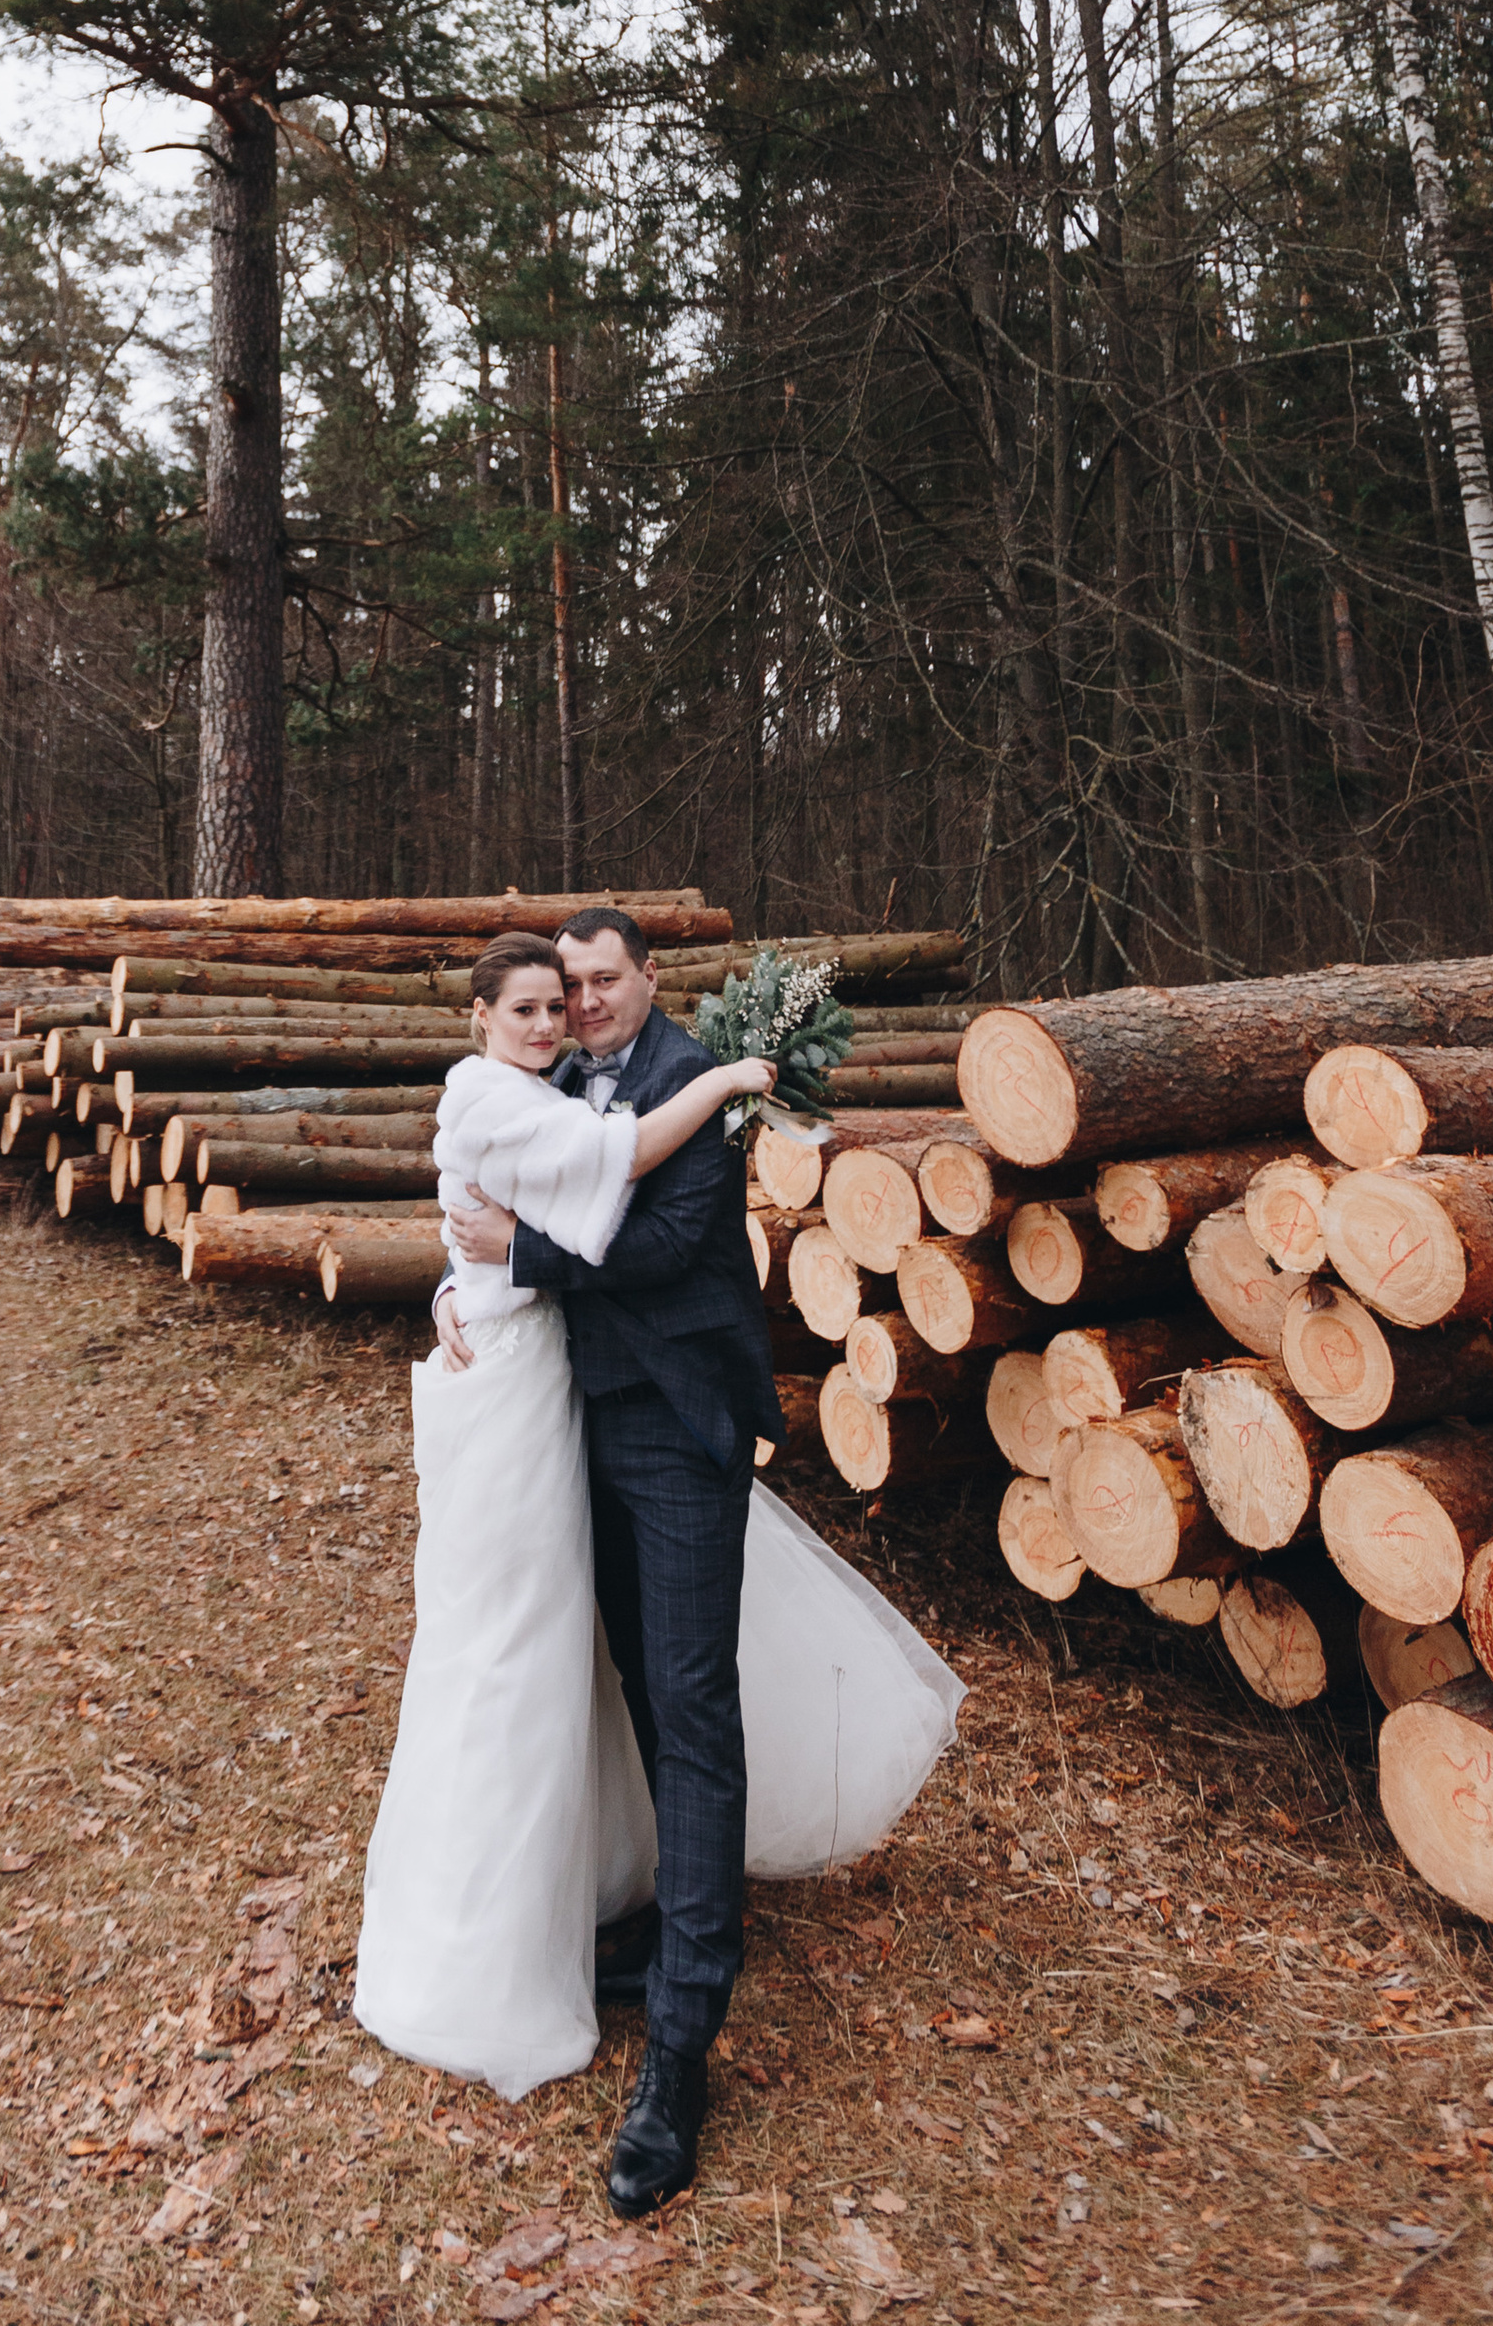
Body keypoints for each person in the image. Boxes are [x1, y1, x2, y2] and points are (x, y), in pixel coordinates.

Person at [353, 920, 962, 2186]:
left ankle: (682, 2039)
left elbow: (655, 1245)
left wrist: (502, 1257)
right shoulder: (549, 1079)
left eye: (601, 983)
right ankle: (645, 1922)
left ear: (647, 983)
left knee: (689, 1706)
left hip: (675, 1432)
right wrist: (456, 1292)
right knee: (620, 1686)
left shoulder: (703, 1089)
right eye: (564, 990)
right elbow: (482, 1201)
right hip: (567, 1426)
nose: (579, 1006)